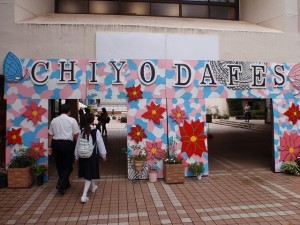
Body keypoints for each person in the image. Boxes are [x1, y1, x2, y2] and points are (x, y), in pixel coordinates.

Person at [48, 104, 80, 195]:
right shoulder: (72, 120)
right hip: (67, 144)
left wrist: (49, 146)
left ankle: (65, 184)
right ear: (68, 111)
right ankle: (60, 184)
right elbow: (76, 134)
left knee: (59, 165)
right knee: (69, 166)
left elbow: (50, 135)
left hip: (56, 144)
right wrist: (78, 146)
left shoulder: (54, 120)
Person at [75, 113, 107, 203]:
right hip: (92, 156)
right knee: (89, 175)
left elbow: (77, 145)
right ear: (92, 120)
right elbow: (100, 144)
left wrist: (76, 156)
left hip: (82, 156)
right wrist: (103, 155)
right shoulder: (95, 131)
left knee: (89, 172)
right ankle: (84, 196)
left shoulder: (81, 131)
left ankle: (93, 187)